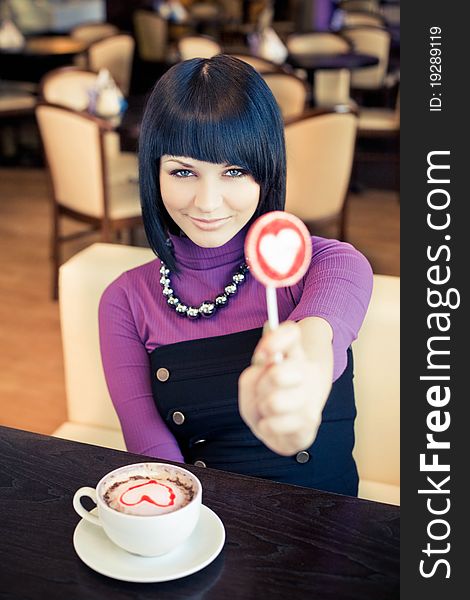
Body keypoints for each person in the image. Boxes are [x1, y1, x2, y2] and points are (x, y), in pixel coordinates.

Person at [98, 55, 373, 496]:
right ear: (154, 171)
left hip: (324, 531)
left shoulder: (331, 265)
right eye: (183, 171)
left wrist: (299, 399)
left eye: (234, 171)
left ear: (267, 171)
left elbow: (316, 344)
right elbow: (153, 453)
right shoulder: (125, 300)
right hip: (200, 522)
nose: (208, 202)